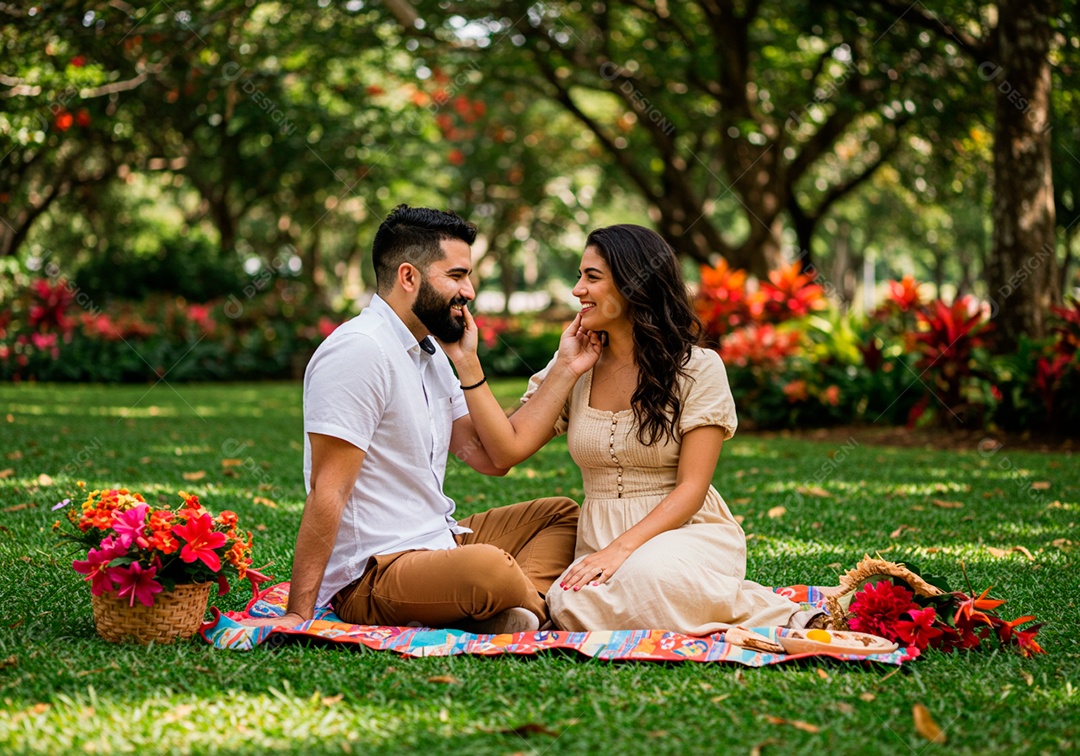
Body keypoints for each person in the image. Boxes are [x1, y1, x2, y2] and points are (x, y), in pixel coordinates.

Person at [443, 224, 824, 635]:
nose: (577, 290)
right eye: (578, 276)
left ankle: (786, 616)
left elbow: (691, 490)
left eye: (592, 277)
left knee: (648, 577)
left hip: (684, 532)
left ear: (634, 284)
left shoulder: (697, 369)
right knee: (569, 598)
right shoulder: (575, 364)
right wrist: (476, 364)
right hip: (598, 536)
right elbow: (506, 450)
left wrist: (620, 551)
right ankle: (684, 604)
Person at [242, 205, 580, 634]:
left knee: (560, 516)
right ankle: (534, 606)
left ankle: (510, 612)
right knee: (491, 569)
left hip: (439, 541)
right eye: (457, 276)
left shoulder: (432, 352)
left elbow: (490, 459)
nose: (470, 291)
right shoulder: (359, 352)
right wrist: (298, 611)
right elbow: (329, 489)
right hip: (374, 574)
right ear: (408, 277)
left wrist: (473, 365)